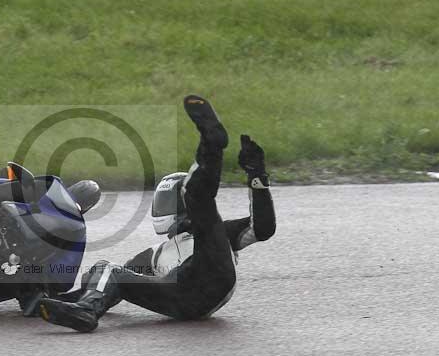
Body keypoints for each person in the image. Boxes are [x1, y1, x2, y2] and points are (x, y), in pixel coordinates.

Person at [38, 95, 276, 332]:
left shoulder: (221, 232)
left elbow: (263, 228)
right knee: (106, 268)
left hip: (212, 274)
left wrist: (257, 179)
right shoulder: (153, 256)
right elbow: (113, 282)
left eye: (168, 200)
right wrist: (54, 301)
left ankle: (211, 144)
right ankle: (86, 311)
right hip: (179, 299)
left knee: (199, 197)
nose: (163, 207)